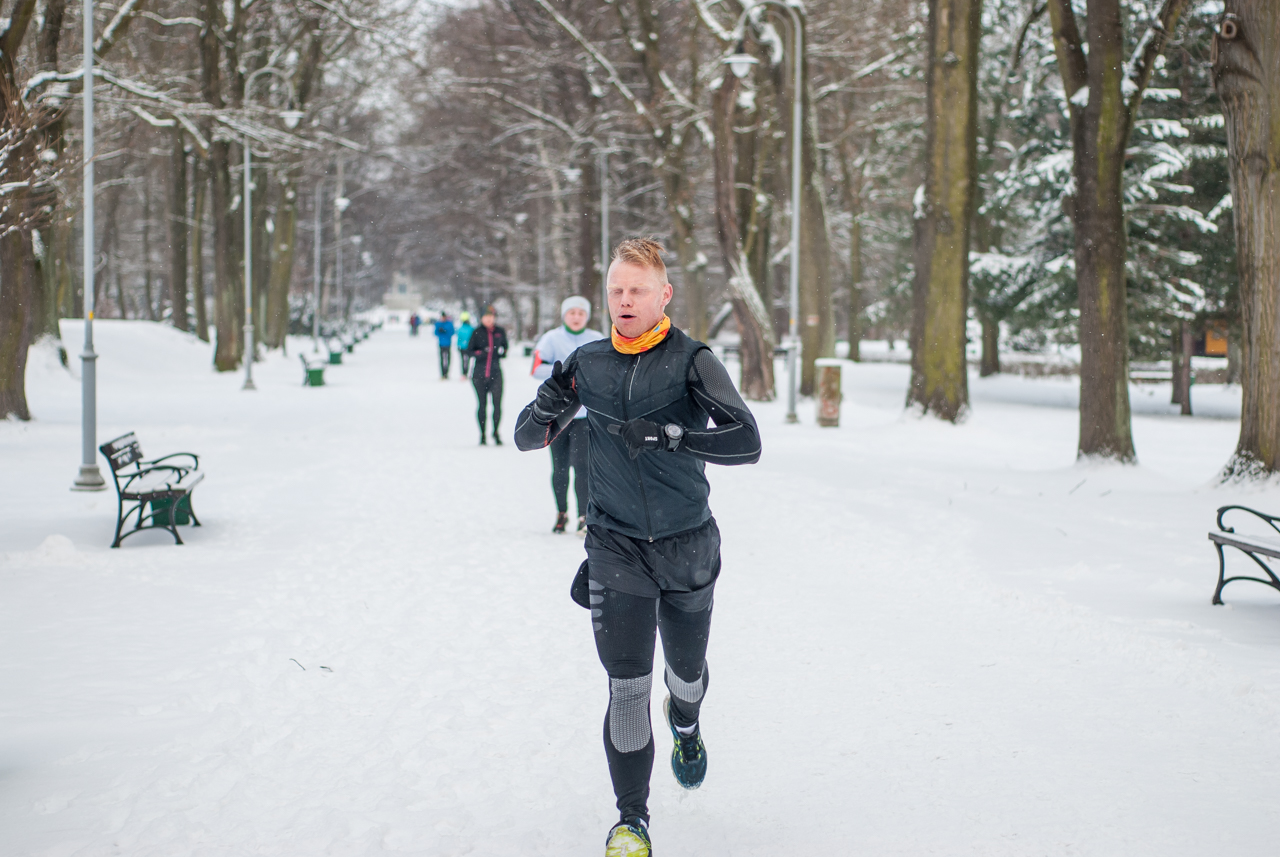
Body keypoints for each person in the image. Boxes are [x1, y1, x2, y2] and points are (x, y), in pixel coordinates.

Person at [515, 238, 760, 857]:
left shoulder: (692, 361)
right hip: (615, 546)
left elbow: (747, 441)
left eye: (637, 290)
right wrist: (549, 401)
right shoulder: (588, 364)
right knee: (626, 686)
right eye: (616, 291)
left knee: (683, 677)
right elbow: (525, 437)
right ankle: (633, 821)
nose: (625, 301)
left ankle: (687, 723)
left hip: (687, 546)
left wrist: (677, 436)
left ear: (663, 295)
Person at [532, 295, 605, 534]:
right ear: (564, 315)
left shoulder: (596, 340)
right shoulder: (552, 338)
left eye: (581, 313)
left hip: (585, 415)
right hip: (557, 414)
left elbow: (608, 370)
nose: (576, 317)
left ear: (587, 316)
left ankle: (584, 515)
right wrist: (562, 372)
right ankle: (561, 513)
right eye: (572, 313)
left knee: (583, 466)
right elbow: (536, 368)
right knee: (560, 467)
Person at [466, 305, 508, 445]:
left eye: (491, 317)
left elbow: (505, 345)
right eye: (486, 317)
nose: (489, 320)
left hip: (496, 373)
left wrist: (502, 352)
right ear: (482, 318)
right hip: (479, 374)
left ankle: (496, 432)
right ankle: (482, 434)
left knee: (497, 404)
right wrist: (481, 353)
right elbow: (469, 350)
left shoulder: (500, 331)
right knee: (482, 404)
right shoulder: (477, 332)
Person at [433, 312, 456, 380]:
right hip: (441, 344)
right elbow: (435, 333)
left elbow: (452, 332)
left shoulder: (449, 324)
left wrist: (445, 330)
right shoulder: (438, 324)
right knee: (442, 359)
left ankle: (447, 373)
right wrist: (439, 331)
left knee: (448, 359)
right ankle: (443, 373)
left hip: (448, 344)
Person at [457, 312, 475, 378]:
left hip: (462, 347)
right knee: (469, 360)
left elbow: (459, 338)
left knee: (463, 360)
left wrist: (458, 345)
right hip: (469, 347)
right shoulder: (471, 328)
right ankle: (468, 373)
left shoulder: (460, 329)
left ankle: (464, 373)